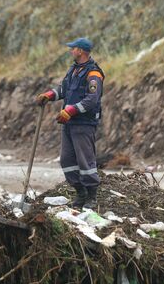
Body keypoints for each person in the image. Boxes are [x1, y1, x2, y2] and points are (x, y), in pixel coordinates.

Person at [36, 38, 104, 210]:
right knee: (67, 160)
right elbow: (63, 89)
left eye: (73, 48)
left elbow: (91, 99)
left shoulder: (93, 74)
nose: (71, 51)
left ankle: (91, 196)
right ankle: (80, 193)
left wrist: (70, 111)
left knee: (85, 161)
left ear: (80, 51)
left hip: (83, 123)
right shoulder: (74, 70)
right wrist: (49, 95)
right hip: (69, 124)